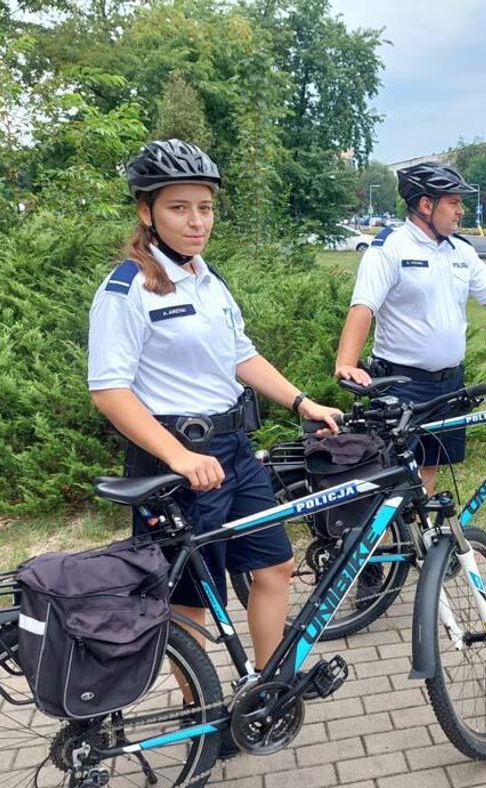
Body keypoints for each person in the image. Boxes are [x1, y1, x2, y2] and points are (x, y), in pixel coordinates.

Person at [87, 139, 340, 682]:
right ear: (146, 211)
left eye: (204, 207)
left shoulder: (209, 278)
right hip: (175, 460)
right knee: (191, 600)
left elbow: (241, 355)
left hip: (234, 451)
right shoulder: (127, 289)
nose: (196, 220)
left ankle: (272, 687)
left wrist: (303, 401)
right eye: (179, 208)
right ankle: (197, 705)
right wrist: (178, 456)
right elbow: (109, 391)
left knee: (275, 565)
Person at [335, 161, 486, 495]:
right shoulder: (389, 249)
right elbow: (363, 307)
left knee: (428, 468)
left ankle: (421, 542)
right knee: (391, 476)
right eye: (453, 202)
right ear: (426, 205)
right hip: (401, 384)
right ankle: (382, 546)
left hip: (449, 384)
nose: (461, 210)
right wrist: (345, 363)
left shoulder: (462, 251)